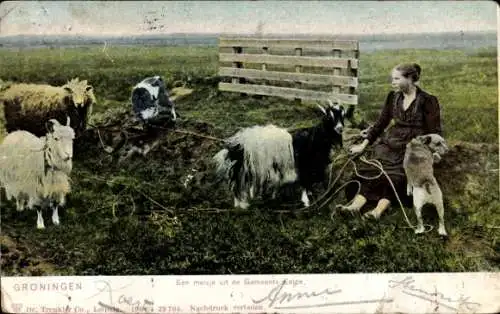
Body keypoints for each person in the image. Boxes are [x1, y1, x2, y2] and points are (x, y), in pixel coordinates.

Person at [340, 63, 443, 219]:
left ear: (409, 79)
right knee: (372, 171)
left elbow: (434, 132)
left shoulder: (428, 100)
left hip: (413, 148)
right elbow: (381, 123)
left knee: (397, 176)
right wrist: (363, 145)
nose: (392, 82)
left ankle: (378, 211)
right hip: (389, 143)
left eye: (396, 78)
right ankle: (355, 206)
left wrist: (431, 152)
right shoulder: (392, 97)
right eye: (392, 79)